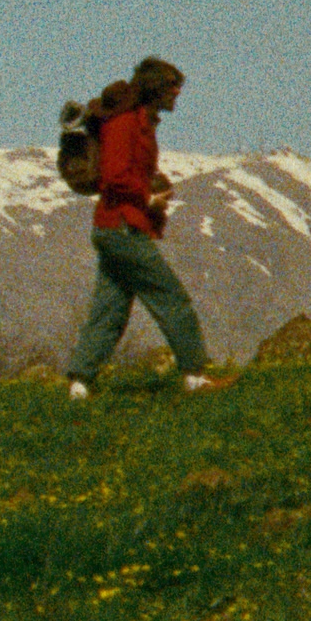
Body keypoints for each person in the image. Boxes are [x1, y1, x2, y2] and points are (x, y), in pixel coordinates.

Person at [66, 57, 236, 400]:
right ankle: (194, 375)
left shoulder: (136, 122)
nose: (177, 93)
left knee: (109, 310)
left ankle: (79, 386)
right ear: (156, 88)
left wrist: (149, 191)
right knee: (171, 298)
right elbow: (114, 176)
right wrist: (149, 196)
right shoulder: (126, 123)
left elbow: (122, 173)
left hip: (114, 226)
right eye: (173, 86)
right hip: (123, 228)